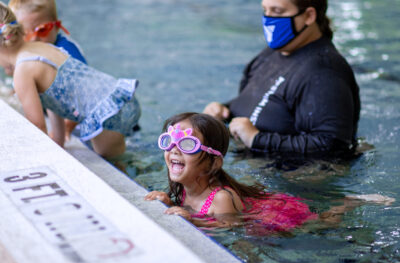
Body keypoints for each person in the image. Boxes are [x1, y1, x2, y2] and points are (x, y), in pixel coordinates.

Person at [144, 113, 393, 232]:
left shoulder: (220, 198)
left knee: (323, 222)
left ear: (212, 164)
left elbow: (226, 226)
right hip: (256, 206)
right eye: (169, 142)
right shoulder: (184, 189)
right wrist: (169, 201)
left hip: (277, 216)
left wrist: (192, 219)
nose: (174, 150)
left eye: (187, 145)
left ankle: (349, 202)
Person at [203, 0, 361, 156]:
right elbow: (262, 102)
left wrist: (256, 139)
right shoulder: (272, 54)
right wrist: (223, 112)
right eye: (265, 10)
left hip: (286, 175)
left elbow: (333, 145)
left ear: (309, 16)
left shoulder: (325, 72)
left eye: (277, 12)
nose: (268, 18)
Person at [0, 3, 140, 158]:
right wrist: (58, 140)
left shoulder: (22, 72)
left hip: (104, 115)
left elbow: (37, 126)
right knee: (117, 156)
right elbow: (53, 100)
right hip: (117, 99)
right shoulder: (41, 47)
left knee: (115, 163)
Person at [9, 0, 88, 140]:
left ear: (57, 26)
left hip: (85, 118)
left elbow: (84, 92)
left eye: (42, 30)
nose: (34, 38)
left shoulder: (67, 52)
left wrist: (68, 127)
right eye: (25, 33)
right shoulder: (29, 53)